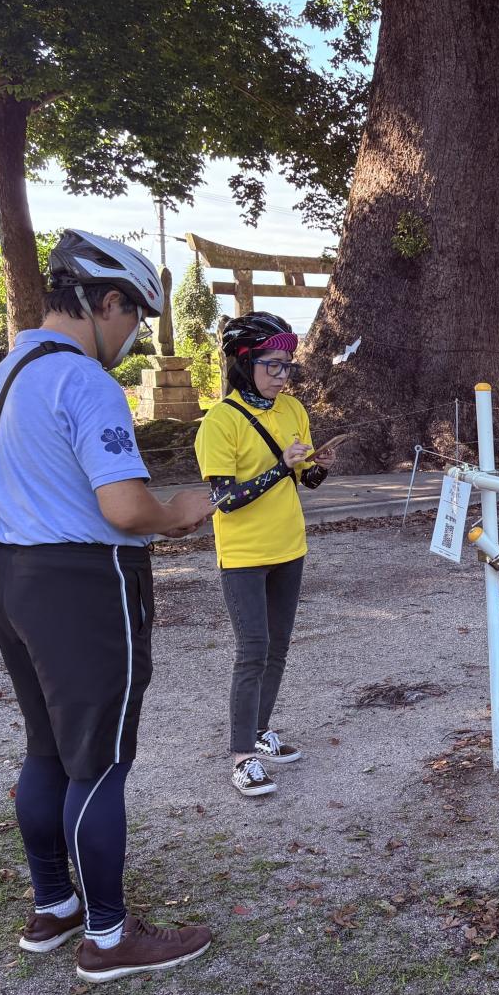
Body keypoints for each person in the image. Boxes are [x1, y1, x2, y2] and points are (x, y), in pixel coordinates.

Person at [0, 229, 215, 982]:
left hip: (15, 576)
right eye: (136, 317)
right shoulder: (84, 381)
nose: (135, 336)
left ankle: (54, 906)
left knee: (47, 749)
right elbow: (122, 507)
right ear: (104, 301)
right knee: (102, 763)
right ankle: (109, 940)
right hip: (85, 583)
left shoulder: (8, 371)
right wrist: (178, 511)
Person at [193, 313, 338, 798]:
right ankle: (242, 757)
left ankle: (261, 731)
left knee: (278, 647)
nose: (282, 376)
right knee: (252, 651)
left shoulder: (293, 410)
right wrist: (281, 468)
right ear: (243, 362)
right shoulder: (221, 422)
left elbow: (306, 478)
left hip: (289, 547)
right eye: (272, 365)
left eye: (287, 367)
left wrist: (320, 466)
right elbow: (225, 499)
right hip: (243, 555)